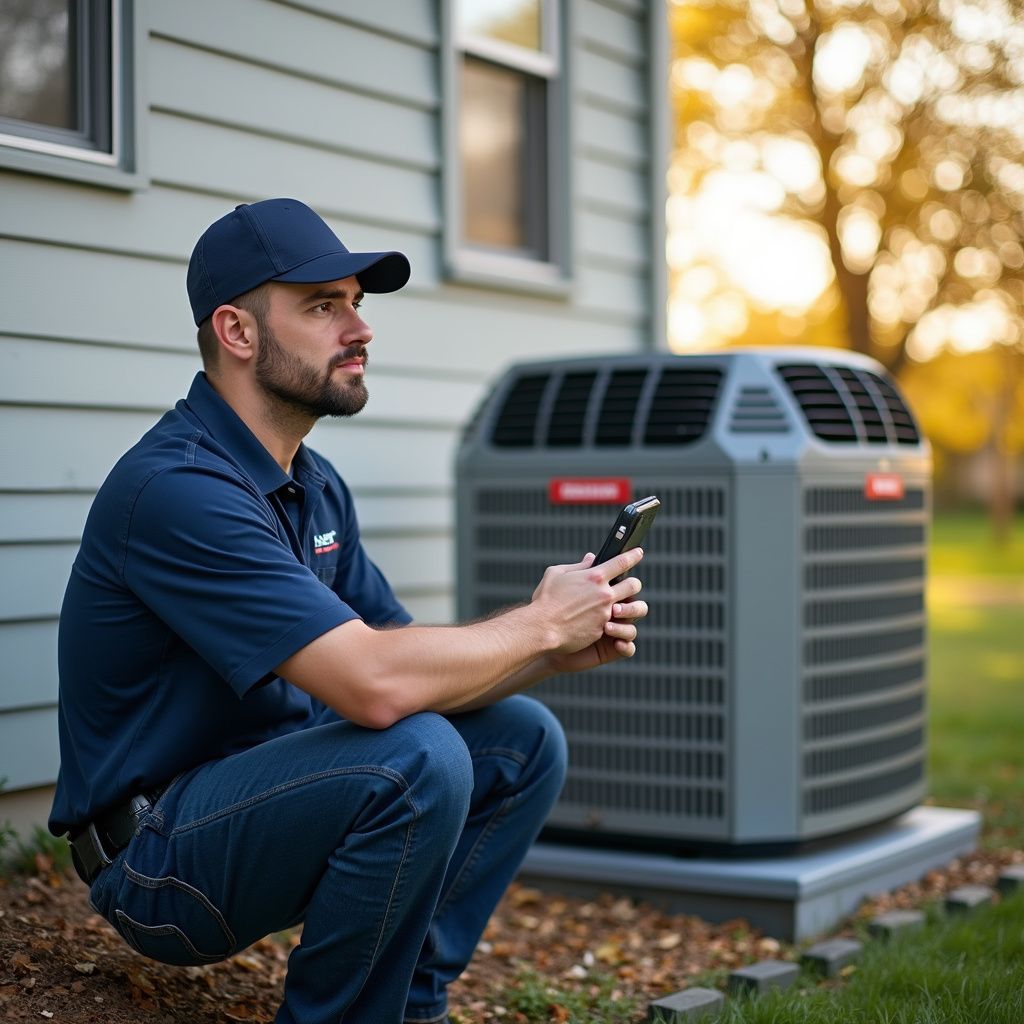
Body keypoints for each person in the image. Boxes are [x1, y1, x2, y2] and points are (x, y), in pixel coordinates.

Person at [50, 197, 648, 1024]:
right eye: (323, 306)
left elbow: (394, 652)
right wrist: (538, 623)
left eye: (356, 304)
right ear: (237, 332)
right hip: (159, 860)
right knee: (418, 755)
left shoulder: (313, 484)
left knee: (520, 741)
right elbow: (374, 687)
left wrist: (546, 653)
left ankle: (406, 1007)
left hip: (265, 803)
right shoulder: (178, 491)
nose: (359, 329)